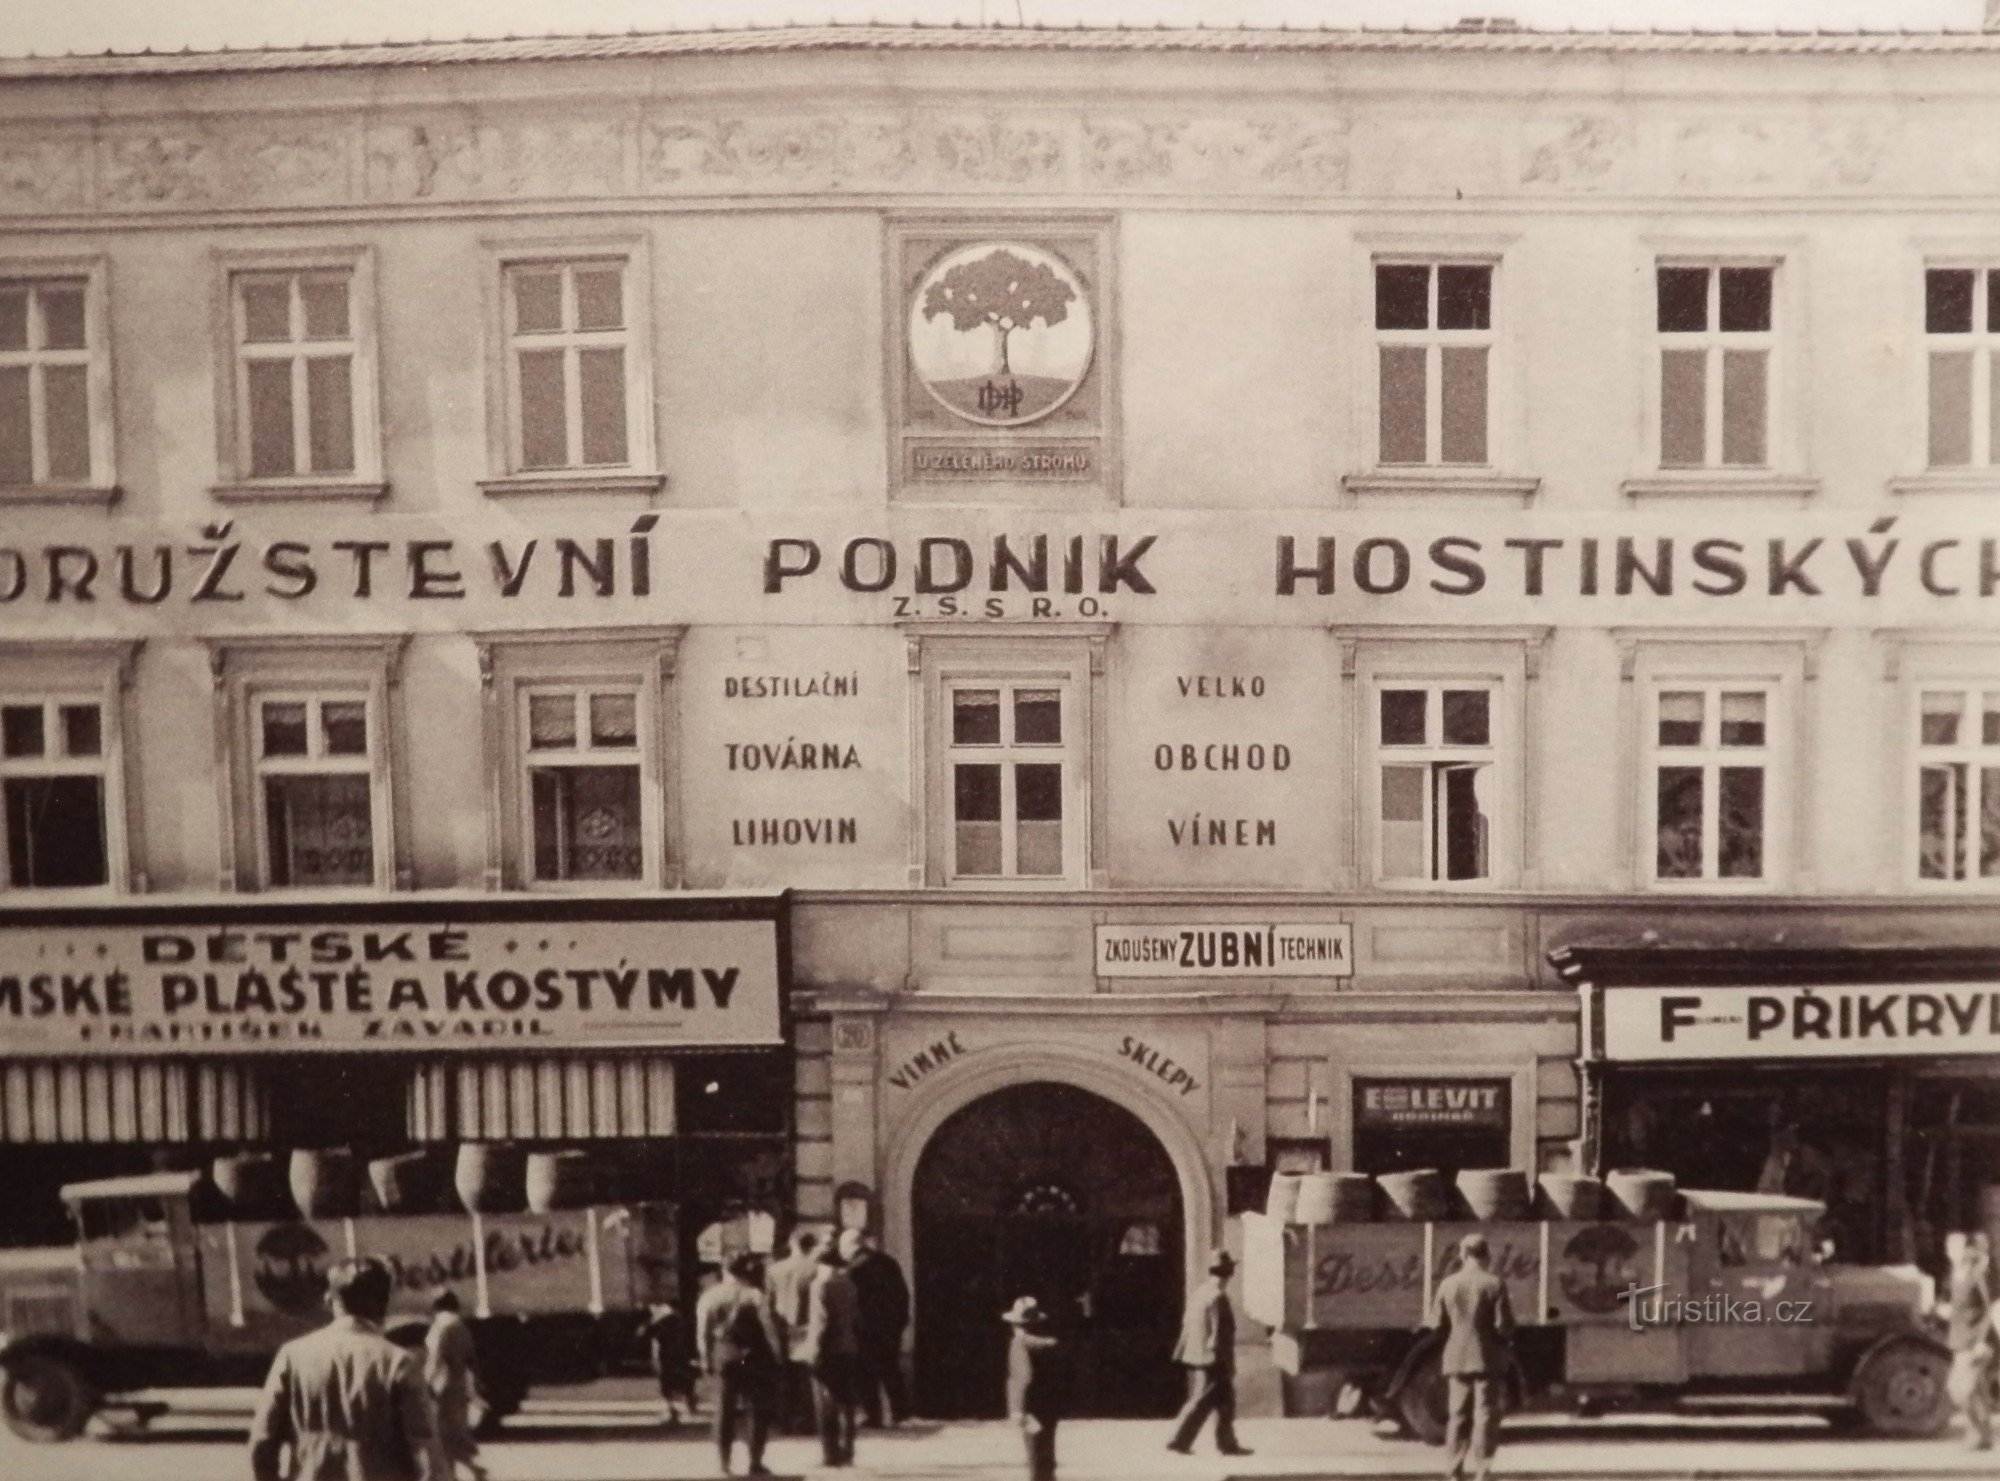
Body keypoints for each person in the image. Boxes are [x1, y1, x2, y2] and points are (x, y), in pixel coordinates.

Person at [249, 1256, 445, 1481]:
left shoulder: (292, 1356)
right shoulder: (398, 1362)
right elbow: (426, 1454)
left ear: (329, 1300)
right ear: (385, 1302)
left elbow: (262, 1442)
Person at [1427, 1232, 1517, 1481]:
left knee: (1457, 1415)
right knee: (1485, 1415)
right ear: (1486, 1255)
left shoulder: (1448, 1284)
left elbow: (1436, 1324)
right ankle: (1482, 1471)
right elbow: (1504, 1326)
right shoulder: (1494, 1284)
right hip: (1487, 1359)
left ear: (1463, 1255)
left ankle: (1454, 1470)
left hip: (1456, 1358)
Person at [696, 1253, 784, 1477]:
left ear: (724, 1269)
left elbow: (703, 1331)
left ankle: (724, 1462)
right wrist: (777, 1354)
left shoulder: (710, 1296)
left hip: (725, 1355)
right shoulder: (755, 1295)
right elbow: (768, 1328)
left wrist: (705, 1358)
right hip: (753, 1356)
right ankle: (755, 1461)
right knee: (756, 1408)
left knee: (724, 1409)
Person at [1165, 1249, 1250, 1457]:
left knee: (1226, 1401)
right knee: (1203, 1400)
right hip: (1214, 1359)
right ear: (1228, 1273)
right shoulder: (1218, 1297)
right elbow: (1219, 1335)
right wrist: (1226, 1362)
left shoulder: (1201, 1293)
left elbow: (1189, 1326)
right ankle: (1178, 1440)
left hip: (1200, 1355)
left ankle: (1227, 1443)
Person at [838, 1228, 911, 1427]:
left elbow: (851, 1301)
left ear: (850, 1247)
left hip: (865, 1328)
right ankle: (901, 1414)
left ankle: (874, 1415)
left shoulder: (853, 1269)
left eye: (842, 1247)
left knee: (865, 1372)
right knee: (891, 1369)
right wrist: (900, 1322)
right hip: (890, 1327)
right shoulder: (888, 1262)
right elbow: (902, 1295)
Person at [803, 1240, 862, 1468]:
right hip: (849, 1346)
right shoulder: (848, 1283)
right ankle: (848, 1450)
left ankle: (830, 1453)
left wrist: (814, 1351)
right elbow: (855, 1317)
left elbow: (821, 1321)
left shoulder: (820, 1285)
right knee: (847, 1402)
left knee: (826, 1403)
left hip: (828, 1350)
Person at [422, 1292, 486, 1481]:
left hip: (441, 1388)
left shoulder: (440, 1327)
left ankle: (452, 1475)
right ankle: (466, 1472)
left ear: (436, 1306)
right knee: (455, 1433)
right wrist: (475, 1386)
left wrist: (426, 1383)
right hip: (459, 1386)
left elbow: (435, 1359)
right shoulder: (462, 1328)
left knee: (440, 1435)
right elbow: (471, 1360)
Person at [1004, 1296, 1067, 1481]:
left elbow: (1024, 1377)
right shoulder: (1050, 1344)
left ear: (1015, 1323)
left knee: (1035, 1461)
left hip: (1031, 1409)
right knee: (1046, 1459)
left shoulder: (1019, 1343)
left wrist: (1018, 1409)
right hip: (1049, 1407)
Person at [1944, 1231, 1996, 1451]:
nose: (1954, 1252)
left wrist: (1984, 1340)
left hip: (1976, 1340)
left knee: (1960, 1389)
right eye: (1950, 1248)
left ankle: (1981, 1433)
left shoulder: (1978, 1275)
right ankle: (1982, 1436)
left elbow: (1992, 1308)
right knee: (1975, 1390)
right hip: (1959, 1339)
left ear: (1967, 1250)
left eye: (1958, 1248)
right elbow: (1959, 1306)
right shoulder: (1954, 1274)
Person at [768, 1229, 822, 1433]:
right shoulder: (816, 1269)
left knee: (784, 1375)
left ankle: (785, 1420)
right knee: (807, 1377)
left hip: (783, 1328)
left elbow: (769, 1304)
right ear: (811, 1246)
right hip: (808, 1327)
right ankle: (807, 1420)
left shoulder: (774, 1270)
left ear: (792, 1244)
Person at [643, 1297, 699, 1426]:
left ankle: (671, 1410)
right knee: (686, 1381)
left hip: (665, 1356)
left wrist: (652, 1319)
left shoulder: (661, 1320)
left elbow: (644, 1333)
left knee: (666, 1384)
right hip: (683, 1355)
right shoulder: (686, 1320)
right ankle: (689, 1403)